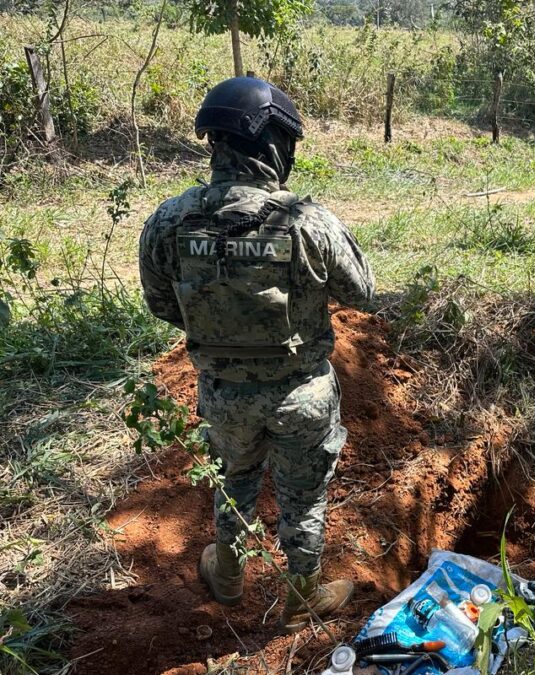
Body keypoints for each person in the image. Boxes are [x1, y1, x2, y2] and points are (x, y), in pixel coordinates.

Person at [138, 77, 375, 631]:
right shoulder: (306, 220)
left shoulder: (168, 221)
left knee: (233, 478)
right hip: (301, 393)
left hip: (223, 394)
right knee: (303, 494)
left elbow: (161, 303)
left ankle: (227, 576)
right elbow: (362, 293)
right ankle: (301, 596)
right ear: (274, 145)